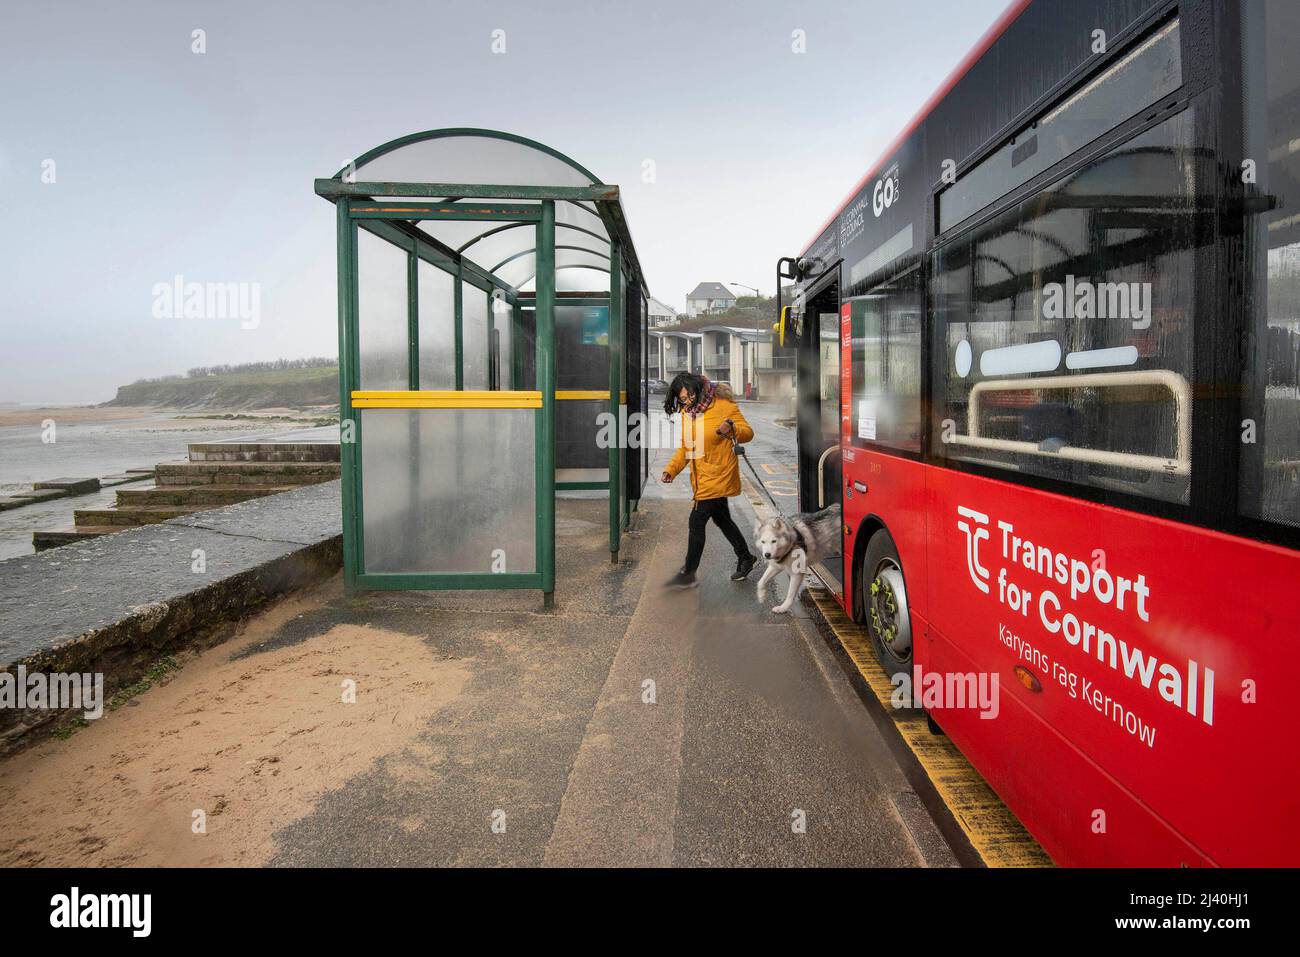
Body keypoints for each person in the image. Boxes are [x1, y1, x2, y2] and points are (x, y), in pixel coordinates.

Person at [660, 373, 758, 589]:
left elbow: (748, 433)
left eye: (688, 396)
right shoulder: (689, 413)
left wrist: (732, 429)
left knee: (696, 521)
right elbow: (687, 448)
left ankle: (688, 573)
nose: (686, 402)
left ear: (697, 388)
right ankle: (746, 557)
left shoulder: (724, 405)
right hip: (702, 477)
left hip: (719, 476)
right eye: (682, 399)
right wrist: (671, 470)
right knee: (722, 519)